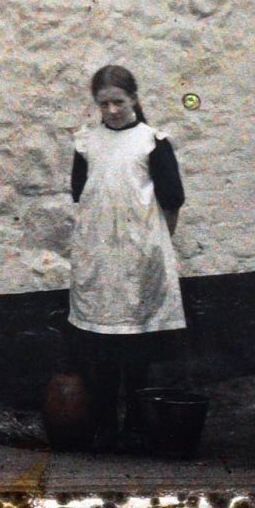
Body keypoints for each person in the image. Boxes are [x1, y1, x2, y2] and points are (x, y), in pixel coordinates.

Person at [67, 63, 186, 451]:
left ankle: (135, 425)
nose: (112, 111)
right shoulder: (87, 142)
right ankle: (104, 426)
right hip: (100, 257)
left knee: (135, 346)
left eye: (118, 101)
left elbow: (172, 200)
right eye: (104, 104)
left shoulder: (152, 142)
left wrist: (156, 244)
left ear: (134, 98)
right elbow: (81, 195)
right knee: (101, 348)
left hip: (139, 257)